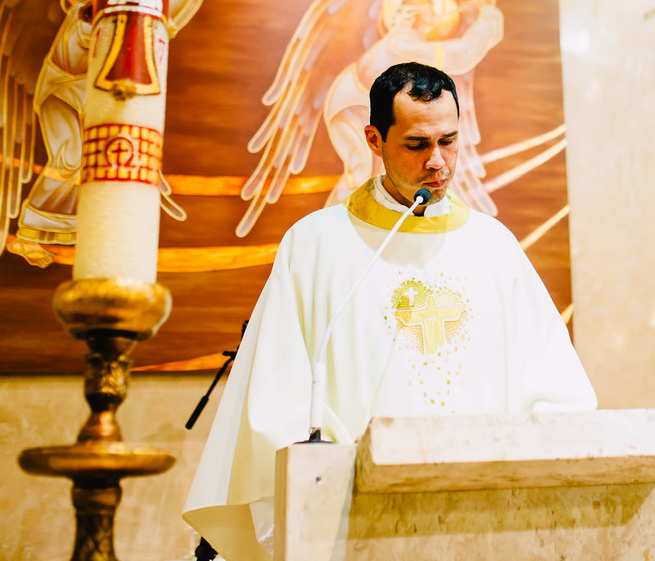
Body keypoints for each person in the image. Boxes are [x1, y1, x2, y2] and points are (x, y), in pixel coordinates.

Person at [183, 62, 597, 561]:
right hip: (356, 524)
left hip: (486, 524)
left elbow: (558, 393)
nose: (438, 162)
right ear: (374, 140)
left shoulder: (495, 248)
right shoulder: (316, 245)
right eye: (417, 145)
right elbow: (279, 401)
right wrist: (343, 470)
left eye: (449, 141)